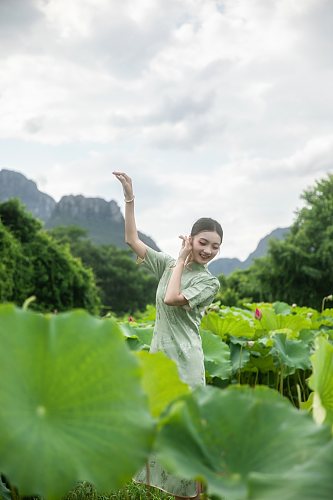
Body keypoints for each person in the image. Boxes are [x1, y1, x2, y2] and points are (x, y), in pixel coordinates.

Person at [113, 172, 222, 500]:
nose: (208, 251)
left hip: (187, 363)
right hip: (162, 358)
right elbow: (132, 239)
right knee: (163, 431)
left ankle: (195, 495)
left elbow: (173, 298)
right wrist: (130, 197)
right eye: (203, 242)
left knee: (187, 434)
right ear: (191, 239)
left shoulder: (209, 283)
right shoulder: (166, 265)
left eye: (215, 246)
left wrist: (179, 261)